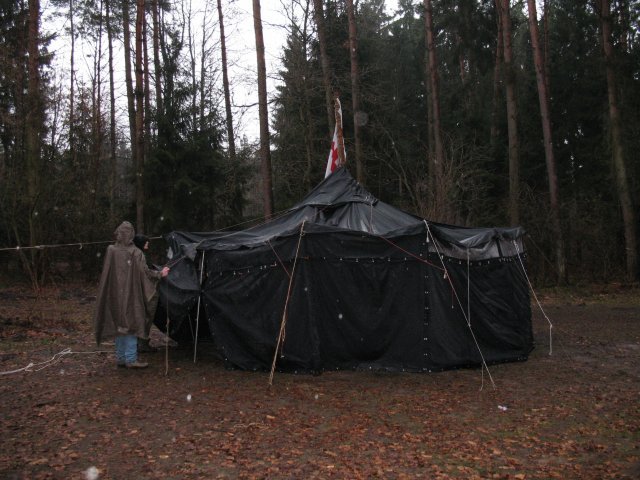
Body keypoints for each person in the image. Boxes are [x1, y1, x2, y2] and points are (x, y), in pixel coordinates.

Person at [94, 222, 169, 368]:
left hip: (115, 294)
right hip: (131, 294)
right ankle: (130, 359)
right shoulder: (135, 252)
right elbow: (145, 273)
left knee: (120, 325)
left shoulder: (111, 250)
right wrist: (160, 274)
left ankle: (121, 358)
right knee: (131, 324)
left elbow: (107, 273)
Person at [132, 234, 160, 353]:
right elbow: (145, 272)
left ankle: (137, 342)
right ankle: (141, 343)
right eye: (146, 243)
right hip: (142, 290)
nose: (147, 245)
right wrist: (160, 274)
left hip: (135, 290)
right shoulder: (139, 254)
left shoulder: (133, 253)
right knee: (145, 317)